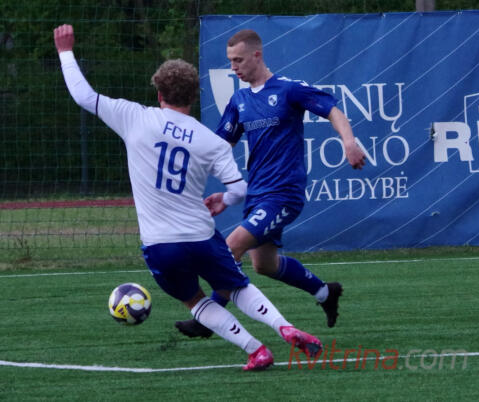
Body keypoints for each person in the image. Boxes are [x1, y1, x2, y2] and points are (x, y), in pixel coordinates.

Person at [54, 24, 323, 371]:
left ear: (159, 93)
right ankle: (284, 326)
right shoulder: (209, 140)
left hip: (160, 244)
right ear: (194, 96)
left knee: (195, 301)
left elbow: (83, 96)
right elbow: (239, 189)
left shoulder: (134, 117)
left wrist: (65, 51)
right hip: (200, 236)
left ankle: (255, 349)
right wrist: (225, 200)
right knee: (236, 286)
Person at [176, 29, 366, 339]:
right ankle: (325, 292)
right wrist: (205, 181)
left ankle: (208, 320)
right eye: (230, 61)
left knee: (230, 247)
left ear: (257, 55)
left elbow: (332, 110)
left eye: (239, 60)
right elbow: (219, 147)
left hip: (284, 194)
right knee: (264, 265)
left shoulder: (288, 89)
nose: (234, 67)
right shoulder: (239, 100)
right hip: (257, 194)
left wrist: (349, 142)